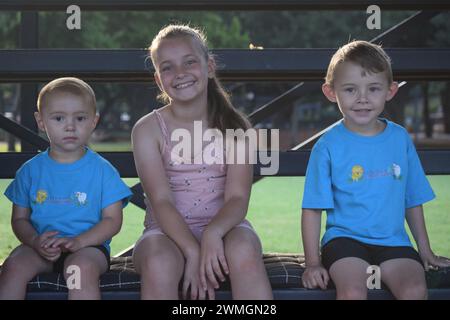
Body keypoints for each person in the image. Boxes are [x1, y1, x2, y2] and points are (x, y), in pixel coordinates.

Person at [131, 24, 272, 300]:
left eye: (190, 62)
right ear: (159, 80)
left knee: (244, 250)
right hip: (164, 233)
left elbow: (237, 198)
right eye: (168, 67)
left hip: (226, 227)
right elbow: (161, 201)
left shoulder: (235, 126)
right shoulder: (148, 129)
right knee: (159, 263)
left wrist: (211, 235)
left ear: (209, 66)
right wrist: (192, 250)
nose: (180, 73)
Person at [301, 40, 450, 299]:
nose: (362, 99)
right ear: (331, 92)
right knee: (353, 292)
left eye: (373, 89)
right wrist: (313, 263)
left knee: (415, 290)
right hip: (344, 242)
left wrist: (425, 250)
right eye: (350, 90)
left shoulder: (399, 139)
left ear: (390, 91)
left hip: (394, 241)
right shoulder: (327, 146)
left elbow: (412, 199)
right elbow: (312, 209)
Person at [0, 77, 132, 300]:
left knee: (79, 272)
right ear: (41, 121)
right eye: (59, 118)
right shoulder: (30, 171)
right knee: (13, 267)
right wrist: (34, 241)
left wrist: (79, 241)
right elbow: (19, 220)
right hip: (39, 247)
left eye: (80, 118)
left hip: (88, 249)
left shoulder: (102, 171)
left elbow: (112, 221)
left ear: (93, 121)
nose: (70, 126)